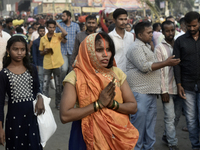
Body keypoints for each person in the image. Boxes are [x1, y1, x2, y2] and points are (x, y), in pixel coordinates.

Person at [60, 32, 139, 150]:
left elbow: (133, 107)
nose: (105, 54)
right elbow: (65, 116)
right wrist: (99, 104)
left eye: (108, 49)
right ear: (88, 51)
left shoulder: (116, 73)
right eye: (99, 50)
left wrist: (112, 104)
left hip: (116, 134)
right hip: (85, 135)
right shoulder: (75, 77)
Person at [126, 21, 180, 150]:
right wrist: (166, 63)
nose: (152, 34)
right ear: (139, 34)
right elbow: (145, 67)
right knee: (139, 124)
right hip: (140, 92)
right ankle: (137, 148)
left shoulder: (145, 46)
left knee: (149, 124)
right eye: (149, 32)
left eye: (151, 32)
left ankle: (149, 147)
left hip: (149, 92)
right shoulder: (136, 48)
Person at [0, 36, 45, 149]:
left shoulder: (32, 68)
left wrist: (40, 98)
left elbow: (37, 89)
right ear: (8, 50)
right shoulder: (4, 74)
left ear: (26, 51)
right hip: (14, 121)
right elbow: (0, 104)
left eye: (23, 49)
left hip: (32, 119)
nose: (19, 52)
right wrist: (0, 129)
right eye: (15, 49)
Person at [173, 11, 200, 150]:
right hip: (187, 85)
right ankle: (195, 146)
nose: (192, 29)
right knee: (191, 120)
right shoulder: (180, 41)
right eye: (189, 26)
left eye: (194, 26)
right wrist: (179, 84)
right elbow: (176, 64)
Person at [155, 21, 180, 150]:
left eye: (172, 30)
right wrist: (163, 90)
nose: (170, 33)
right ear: (163, 32)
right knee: (169, 117)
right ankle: (172, 143)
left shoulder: (179, 43)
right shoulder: (159, 48)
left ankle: (166, 135)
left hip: (180, 87)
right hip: (167, 89)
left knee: (177, 116)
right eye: (167, 31)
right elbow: (160, 71)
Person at [39, 19, 67, 110]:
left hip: (57, 63)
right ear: (47, 27)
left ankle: (58, 103)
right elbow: (40, 52)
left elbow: (65, 33)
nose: (52, 29)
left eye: (53, 27)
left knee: (58, 85)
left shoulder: (58, 36)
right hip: (47, 64)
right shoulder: (43, 39)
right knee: (45, 85)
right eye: (50, 27)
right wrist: (44, 52)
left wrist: (58, 24)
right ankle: (45, 104)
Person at [109, 8, 134, 74]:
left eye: (125, 19)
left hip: (130, 72)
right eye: (121, 19)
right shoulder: (110, 37)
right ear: (114, 20)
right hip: (116, 73)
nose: (124, 22)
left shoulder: (131, 36)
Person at [56, 10, 80, 75]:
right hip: (63, 51)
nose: (62, 17)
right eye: (62, 16)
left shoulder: (76, 26)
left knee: (72, 69)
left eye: (64, 16)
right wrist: (61, 39)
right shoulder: (59, 26)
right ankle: (62, 84)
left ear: (69, 17)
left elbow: (79, 38)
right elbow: (56, 36)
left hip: (73, 51)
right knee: (64, 69)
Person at [32, 26, 45, 92]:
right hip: (39, 63)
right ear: (38, 32)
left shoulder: (48, 40)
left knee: (46, 80)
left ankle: (45, 94)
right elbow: (34, 54)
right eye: (41, 31)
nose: (42, 32)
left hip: (48, 63)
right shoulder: (35, 42)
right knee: (40, 79)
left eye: (43, 31)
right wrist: (35, 64)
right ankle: (41, 94)